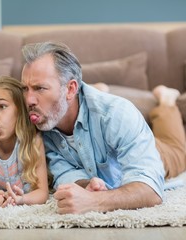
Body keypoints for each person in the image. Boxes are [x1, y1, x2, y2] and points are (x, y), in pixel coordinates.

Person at [20, 41, 186, 214]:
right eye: (25, 88)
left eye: (39, 88)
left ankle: (167, 101)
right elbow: (63, 172)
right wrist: (86, 186)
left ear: (70, 89)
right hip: (99, 128)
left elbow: (151, 189)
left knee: (178, 151)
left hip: (157, 151)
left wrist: (94, 201)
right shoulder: (40, 125)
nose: (29, 100)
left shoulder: (117, 113)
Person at [0, 76, 49, 207]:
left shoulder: (33, 140)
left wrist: (21, 200)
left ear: (20, 110)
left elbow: (42, 193)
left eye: (2, 106)